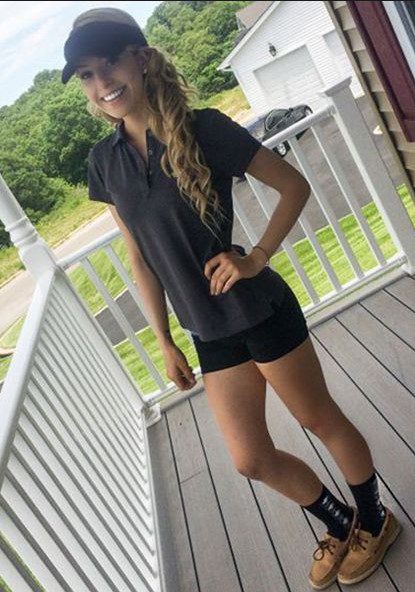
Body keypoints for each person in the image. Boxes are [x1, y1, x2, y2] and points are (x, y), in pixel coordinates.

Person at [61, 7, 401, 589]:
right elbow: (139, 257)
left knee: (319, 419)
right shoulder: (104, 162)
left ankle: (374, 520)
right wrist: (164, 339)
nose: (102, 82)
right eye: (87, 75)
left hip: (256, 308)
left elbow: (293, 185)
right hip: (207, 328)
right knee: (250, 458)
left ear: (140, 59)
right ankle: (340, 521)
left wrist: (257, 256)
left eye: (109, 62)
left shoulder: (204, 129)